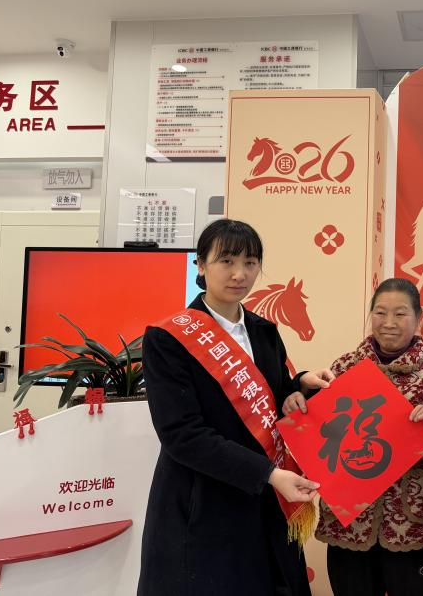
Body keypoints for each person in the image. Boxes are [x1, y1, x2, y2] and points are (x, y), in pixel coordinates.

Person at [138, 218, 334, 596]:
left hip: (264, 503)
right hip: (202, 502)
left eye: (250, 262)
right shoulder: (167, 339)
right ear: (200, 264)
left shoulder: (264, 331)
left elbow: (274, 399)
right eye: (226, 261)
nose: (239, 274)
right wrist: (269, 474)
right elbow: (182, 435)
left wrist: (300, 386)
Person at [283, 278, 423, 596]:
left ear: (419, 318)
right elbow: (320, 429)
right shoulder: (343, 368)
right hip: (350, 525)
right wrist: (296, 400)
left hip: (416, 525)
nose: (389, 323)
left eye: (400, 314)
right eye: (380, 312)